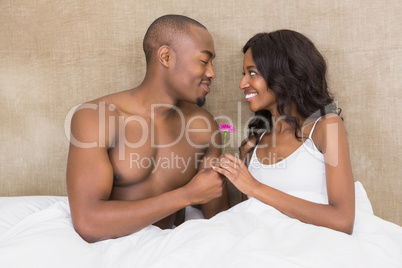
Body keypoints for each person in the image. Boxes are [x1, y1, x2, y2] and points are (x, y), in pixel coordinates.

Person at [66, 14, 229, 243]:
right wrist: (187, 195)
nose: (212, 73)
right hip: (108, 249)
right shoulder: (97, 117)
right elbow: (88, 223)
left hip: (164, 253)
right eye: (204, 61)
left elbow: (219, 222)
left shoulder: (203, 128)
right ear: (166, 56)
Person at [213, 30, 355, 234]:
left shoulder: (325, 128)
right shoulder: (251, 146)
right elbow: (246, 220)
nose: (242, 84)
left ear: (284, 74)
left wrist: (255, 187)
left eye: (252, 73)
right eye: (244, 74)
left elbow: (343, 221)